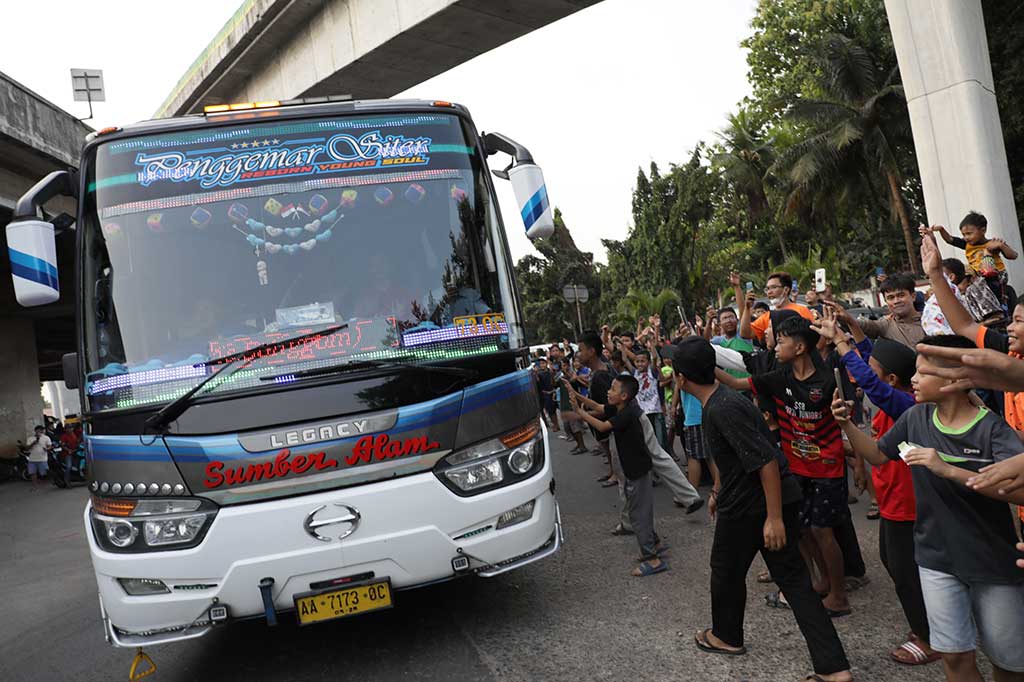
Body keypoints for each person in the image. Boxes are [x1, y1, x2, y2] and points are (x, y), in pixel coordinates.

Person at [835, 334, 1024, 682]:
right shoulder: (916, 417)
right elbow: (878, 455)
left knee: (1009, 665)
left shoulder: (992, 429)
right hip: (936, 560)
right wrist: (846, 425)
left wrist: (947, 469)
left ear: (956, 380)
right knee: (954, 658)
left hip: (994, 564)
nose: (915, 380)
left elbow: (1019, 493)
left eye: (923, 373)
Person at [673, 337, 852, 682]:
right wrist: (718, 492)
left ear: (681, 379)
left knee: (725, 571)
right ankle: (834, 669)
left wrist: (773, 518)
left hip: (753, 509)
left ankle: (726, 637)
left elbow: (766, 462)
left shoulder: (722, 407)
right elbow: (737, 460)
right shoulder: (721, 402)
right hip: (752, 501)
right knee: (795, 583)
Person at [813, 311, 940, 666]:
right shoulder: (897, 397)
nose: (862, 371)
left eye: (872, 367)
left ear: (894, 379)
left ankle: (929, 638)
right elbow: (875, 366)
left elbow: (873, 383)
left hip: (909, 504)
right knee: (893, 560)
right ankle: (932, 625)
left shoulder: (907, 405)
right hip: (892, 502)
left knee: (905, 570)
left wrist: (840, 343)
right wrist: (852, 330)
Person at [717, 317, 853, 616]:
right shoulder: (779, 377)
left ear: (800, 346)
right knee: (802, 529)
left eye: (780, 341)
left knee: (822, 531)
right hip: (796, 468)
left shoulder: (830, 379)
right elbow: (737, 382)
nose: (774, 345)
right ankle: (822, 581)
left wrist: (860, 468)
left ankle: (839, 595)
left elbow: (848, 420)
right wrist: (704, 365)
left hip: (827, 469)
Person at [571, 374, 668, 577]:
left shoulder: (627, 414)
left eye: (613, 389)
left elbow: (603, 425)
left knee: (637, 515)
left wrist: (580, 412)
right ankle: (655, 543)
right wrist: (577, 397)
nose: (608, 391)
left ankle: (652, 559)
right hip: (636, 469)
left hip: (637, 470)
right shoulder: (621, 408)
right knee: (639, 510)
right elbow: (599, 407)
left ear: (623, 395)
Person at [930, 212, 1018, 305]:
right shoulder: (967, 245)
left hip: (997, 276)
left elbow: (1013, 255)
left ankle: (998, 304)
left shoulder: (992, 244)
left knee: (982, 285)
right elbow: (950, 239)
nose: (966, 237)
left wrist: (1002, 246)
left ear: (983, 230)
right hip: (981, 277)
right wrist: (941, 230)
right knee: (971, 287)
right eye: (963, 234)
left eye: (969, 233)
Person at [577, 333, 618, 487]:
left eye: (581, 350)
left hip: (609, 424)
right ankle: (613, 472)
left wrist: (584, 414)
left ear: (592, 351)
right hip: (602, 424)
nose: (579, 355)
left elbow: (610, 407)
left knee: (612, 448)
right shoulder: (600, 370)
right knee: (607, 447)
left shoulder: (601, 375)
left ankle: (616, 474)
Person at [739, 271, 815, 344]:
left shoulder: (802, 310)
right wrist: (747, 308)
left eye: (773, 287)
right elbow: (745, 334)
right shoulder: (767, 316)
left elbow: (814, 338)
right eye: (767, 289)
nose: (769, 292)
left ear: (786, 289)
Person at [858, 273, 925, 348]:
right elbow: (860, 325)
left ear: (913, 296)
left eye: (901, 295)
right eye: (891, 297)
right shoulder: (885, 325)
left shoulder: (930, 320)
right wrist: (844, 317)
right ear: (885, 301)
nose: (896, 301)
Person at [25, 425, 52, 489]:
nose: (40, 431)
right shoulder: (30, 438)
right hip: (32, 459)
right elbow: (27, 448)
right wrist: (34, 443)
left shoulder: (46, 438)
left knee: (44, 473)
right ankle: (35, 486)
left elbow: (50, 446)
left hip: (42, 458)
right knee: (32, 473)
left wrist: (47, 449)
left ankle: (44, 484)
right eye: (39, 430)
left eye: (41, 430)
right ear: (35, 431)